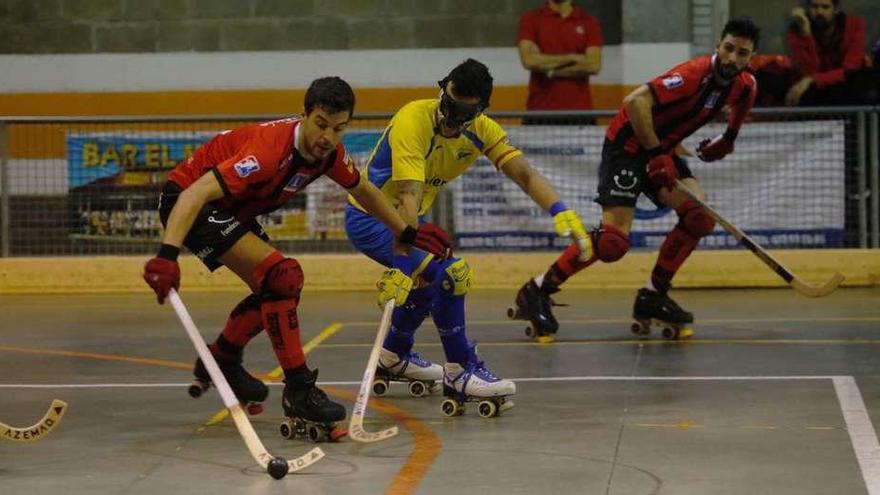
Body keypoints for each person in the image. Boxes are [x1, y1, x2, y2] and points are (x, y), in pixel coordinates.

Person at [142, 76, 452, 438]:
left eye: (339, 129)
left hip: (231, 211)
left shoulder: (328, 154)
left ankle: (223, 359)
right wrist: (167, 256)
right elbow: (193, 194)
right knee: (282, 276)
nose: (327, 138)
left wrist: (407, 232)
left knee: (277, 287)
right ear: (303, 114)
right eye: (321, 124)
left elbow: (364, 190)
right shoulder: (267, 153)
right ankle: (299, 389)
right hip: (191, 202)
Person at [344, 59, 588, 414]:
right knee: (450, 275)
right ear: (442, 91)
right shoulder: (414, 120)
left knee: (427, 287)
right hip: (373, 216)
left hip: (410, 219)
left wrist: (560, 210)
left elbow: (525, 174)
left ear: (480, 110)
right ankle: (460, 371)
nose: (451, 119)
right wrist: (400, 263)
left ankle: (392, 355)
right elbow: (409, 195)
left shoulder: (482, 130)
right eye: (449, 105)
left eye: (463, 113)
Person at [511, 17, 761, 340]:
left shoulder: (745, 84)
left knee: (699, 217)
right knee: (612, 243)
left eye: (742, 53)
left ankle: (652, 295)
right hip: (628, 147)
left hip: (662, 148)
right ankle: (537, 290)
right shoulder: (693, 74)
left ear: (751, 57)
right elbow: (634, 102)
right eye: (728, 49)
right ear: (718, 45)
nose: (733, 59)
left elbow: (744, 100)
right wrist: (656, 154)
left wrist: (729, 138)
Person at [517, 0, 603, 125]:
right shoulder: (531, 19)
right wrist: (573, 57)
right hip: (539, 114)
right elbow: (529, 61)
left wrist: (551, 70)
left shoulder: (589, 22)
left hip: (580, 115)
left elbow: (593, 65)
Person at [785, 0, 867, 106]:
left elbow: (850, 70)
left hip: (846, 90)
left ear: (836, 9)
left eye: (825, 7)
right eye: (814, 6)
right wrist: (806, 34)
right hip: (812, 92)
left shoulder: (854, 25)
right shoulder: (798, 28)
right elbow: (806, 71)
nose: (819, 12)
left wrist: (812, 79)